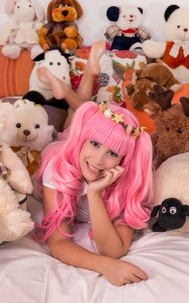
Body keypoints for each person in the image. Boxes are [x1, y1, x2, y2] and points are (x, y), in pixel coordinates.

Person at [35, 101, 154, 286]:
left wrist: (94, 194)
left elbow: (114, 250)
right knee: (64, 134)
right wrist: (106, 266)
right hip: (66, 155)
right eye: (95, 143)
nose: (99, 160)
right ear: (84, 139)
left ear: (124, 160)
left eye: (113, 154)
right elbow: (58, 242)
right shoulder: (59, 169)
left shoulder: (127, 180)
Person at [37, 40, 107, 127]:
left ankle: (85, 76)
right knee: (94, 113)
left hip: (110, 123)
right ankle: (87, 74)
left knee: (76, 115)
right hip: (116, 120)